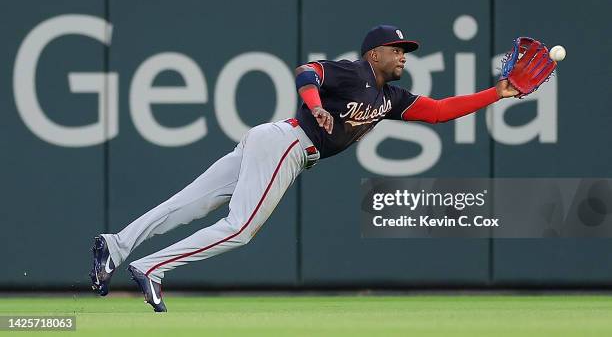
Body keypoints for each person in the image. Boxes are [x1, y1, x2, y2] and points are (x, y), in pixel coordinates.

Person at [89, 25, 519, 312]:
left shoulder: (392, 98)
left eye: (406, 50)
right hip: (289, 143)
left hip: (274, 141)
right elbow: (307, 71)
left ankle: (117, 243)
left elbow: (441, 111)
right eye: (397, 49)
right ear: (375, 52)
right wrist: (316, 105)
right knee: (239, 229)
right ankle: (151, 266)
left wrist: (496, 93)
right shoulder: (354, 72)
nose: (404, 55)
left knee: (190, 205)